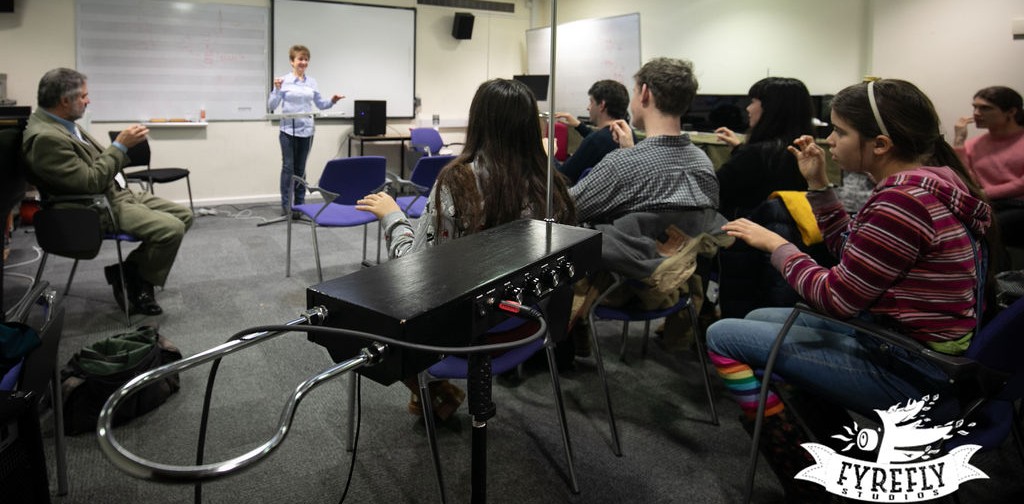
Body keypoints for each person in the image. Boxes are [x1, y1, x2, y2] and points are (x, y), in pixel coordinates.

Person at [705, 79, 994, 502]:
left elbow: (835, 299)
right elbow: (852, 254)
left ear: (880, 145)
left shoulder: (903, 202)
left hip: (910, 368)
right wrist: (819, 185)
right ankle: (832, 441)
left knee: (722, 336)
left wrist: (777, 246)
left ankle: (802, 468)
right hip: (913, 350)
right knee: (757, 319)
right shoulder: (930, 183)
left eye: (840, 131)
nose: (829, 140)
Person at [355, 78, 577, 420]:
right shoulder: (551, 185)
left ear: (479, 122)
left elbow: (414, 270)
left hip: (463, 335)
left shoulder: (458, 182)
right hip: (529, 327)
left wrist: (392, 216)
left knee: (356, 316)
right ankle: (436, 394)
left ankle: (435, 393)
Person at [23, 68, 193, 316]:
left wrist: (118, 150)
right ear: (65, 100)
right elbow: (89, 183)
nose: (88, 100)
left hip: (115, 192)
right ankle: (139, 283)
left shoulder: (63, 125)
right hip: (96, 205)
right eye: (84, 96)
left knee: (185, 216)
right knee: (172, 229)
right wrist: (120, 146)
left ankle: (128, 272)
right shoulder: (46, 137)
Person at [568, 57, 718, 225]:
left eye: (635, 91)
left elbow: (563, 209)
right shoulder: (704, 163)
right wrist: (630, 151)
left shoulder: (620, 166)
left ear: (645, 93)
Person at [713, 77, 814, 220]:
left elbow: (713, 188)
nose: (748, 108)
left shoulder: (756, 155)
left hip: (746, 228)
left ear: (771, 108)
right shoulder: (805, 152)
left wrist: (743, 153)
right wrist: (739, 149)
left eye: (753, 101)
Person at [267, 44, 344, 217]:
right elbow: (272, 105)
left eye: (306, 59)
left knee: (301, 169)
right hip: (288, 130)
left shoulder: (312, 82)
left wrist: (332, 100)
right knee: (288, 168)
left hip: (307, 130)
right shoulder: (283, 81)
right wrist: (277, 89)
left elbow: (320, 104)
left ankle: (300, 206)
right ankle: (287, 206)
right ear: (292, 61)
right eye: (300, 59)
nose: (303, 62)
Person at [954, 86, 1024, 247]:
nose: (976, 113)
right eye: (975, 107)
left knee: (986, 227)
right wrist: (959, 141)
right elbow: (966, 179)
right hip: (987, 204)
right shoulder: (973, 145)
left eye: (985, 108)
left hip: (1018, 205)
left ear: (1011, 112)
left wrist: (985, 193)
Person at [552, 79, 634, 184]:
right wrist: (578, 125)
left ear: (602, 105)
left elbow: (562, 177)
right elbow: (602, 141)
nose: (588, 107)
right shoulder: (629, 135)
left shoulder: (596, 140)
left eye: (591, 102)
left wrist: (549, 155)